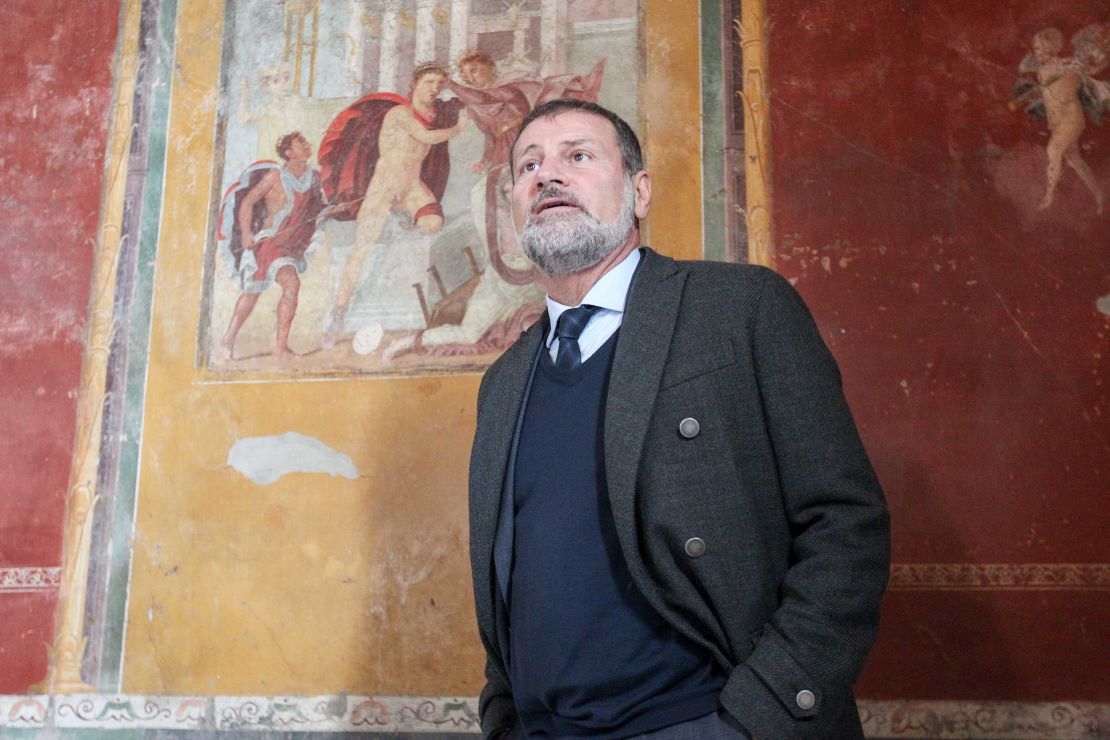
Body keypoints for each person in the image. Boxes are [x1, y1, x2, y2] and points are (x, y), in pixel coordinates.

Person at [468, 99, 890, 739]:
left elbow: (845, 523)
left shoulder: (740, 308)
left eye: (577, 156)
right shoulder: (503, 382)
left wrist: (757, 719)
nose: (547, 176)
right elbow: (509, 581)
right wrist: (503, 719)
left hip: (707, 721)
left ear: (639, 193)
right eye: (529, 166)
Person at [317, 63, 470, 346]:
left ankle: (403, 223)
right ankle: (338, 314)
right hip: (384, 188)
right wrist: (458, 127)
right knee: (359, 252)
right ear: (415, 84)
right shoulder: (399, 114)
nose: (434, 88)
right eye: (429, 82)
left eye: (439, 83)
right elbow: (425, 136)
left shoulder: (436, 115)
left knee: (434, 222)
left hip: (411, 187)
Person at [219, 131, 325, 359]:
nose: (308, 145)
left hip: (290, 245)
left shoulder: (314, 177)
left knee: (291, 285)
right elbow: (247, 203)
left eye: (306, 141)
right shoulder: (275, 177)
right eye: (301, 143)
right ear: (289, 153)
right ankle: (228, 339)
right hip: (269, 243)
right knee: (252, 293)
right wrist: (247, 233)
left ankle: (280, 346)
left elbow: (320, 207)